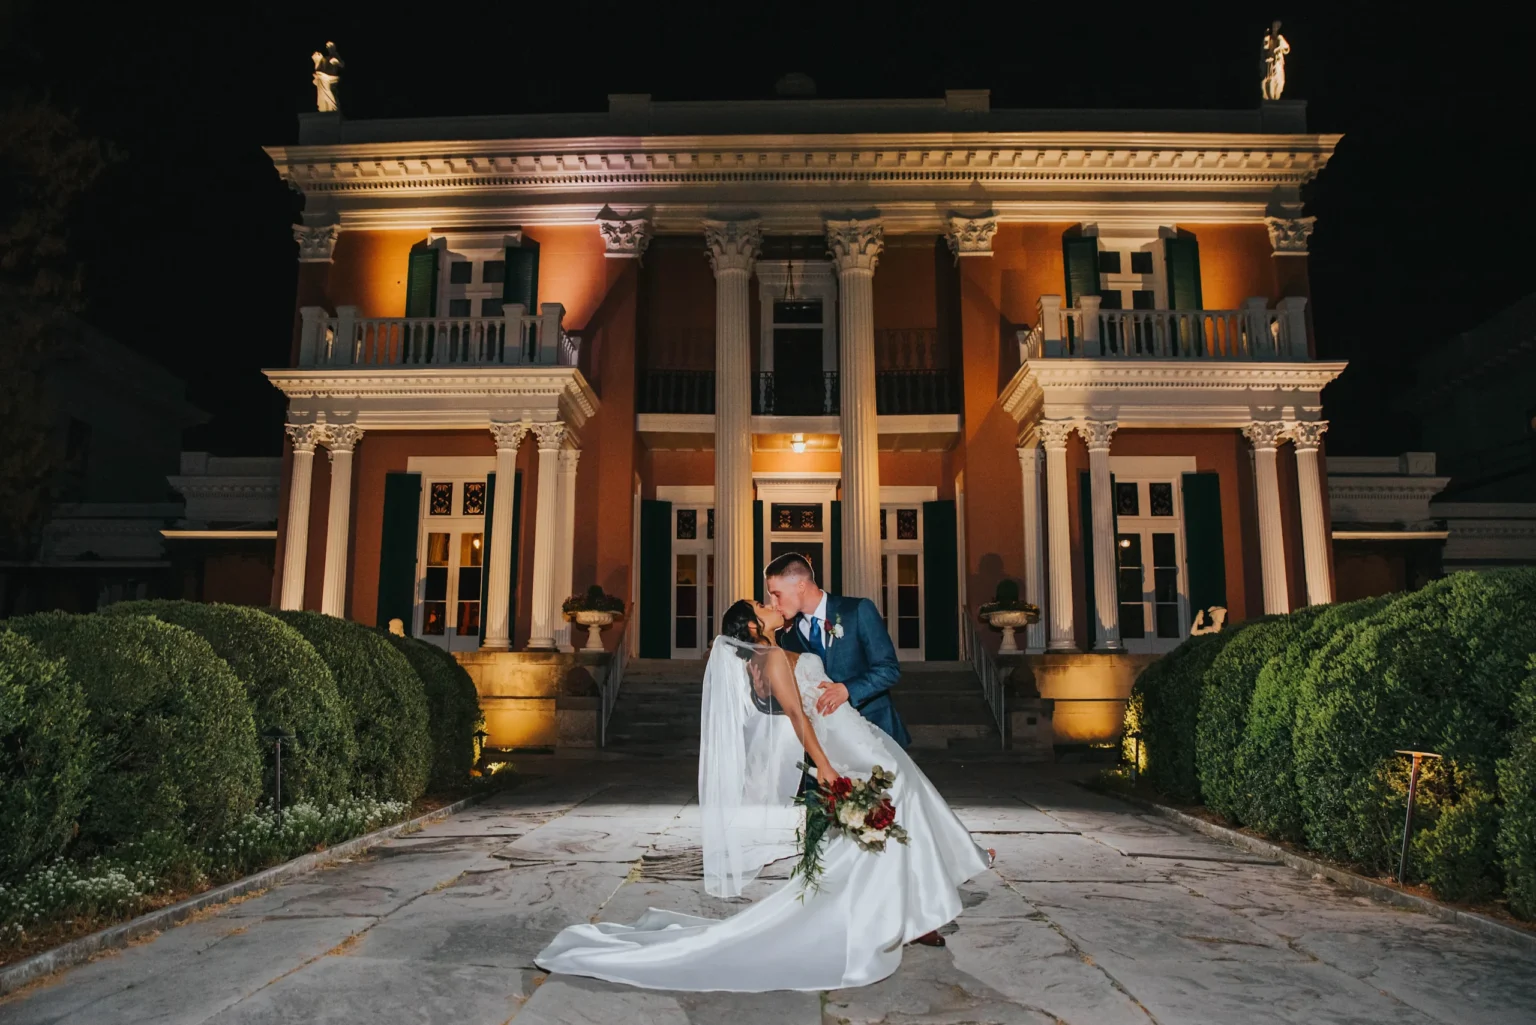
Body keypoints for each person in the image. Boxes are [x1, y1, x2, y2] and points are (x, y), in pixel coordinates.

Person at [533, 598, 994, 993]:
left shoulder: (770, 654)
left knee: (892, 812)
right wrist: (827, 766)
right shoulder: (771, 659)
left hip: (857, 736)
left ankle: (911, 908)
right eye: (761, 604)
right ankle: (905, 909)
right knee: (890, 809)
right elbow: (798, 717)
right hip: (845, 746)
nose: (769, 604)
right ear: (754, 626)